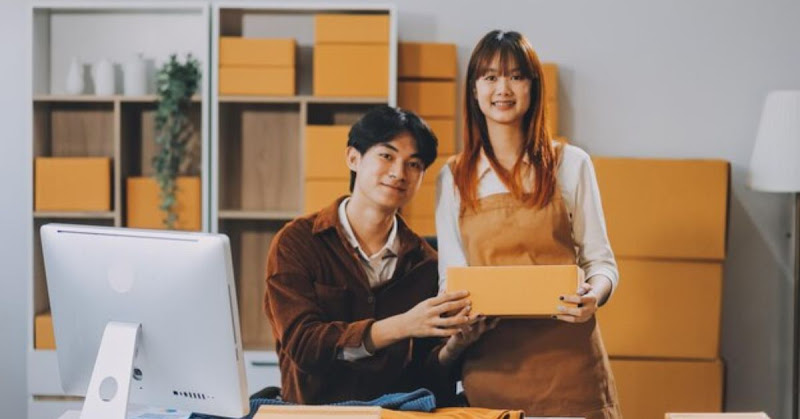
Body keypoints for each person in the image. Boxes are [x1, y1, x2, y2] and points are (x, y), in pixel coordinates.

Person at [435, 30, 622, 418]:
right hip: (490, 374)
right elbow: (450, 280)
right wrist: (460, 323)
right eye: (489, 77)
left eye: (516, 76)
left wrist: (593, 297)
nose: (502, 88)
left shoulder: (571, 163)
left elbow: (602, 264)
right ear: (473, 89)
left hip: (570, 371)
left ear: (533, 87)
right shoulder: (452, 176)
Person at [264, 105, 474, 406]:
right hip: (315, 415)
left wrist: (455, 345)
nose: (398, 173)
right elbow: (304, 346)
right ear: (353, 158)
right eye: (386, 156)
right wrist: (404, 325)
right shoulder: (297, 242)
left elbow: (426, 382)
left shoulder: (427, 263)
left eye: (413, 164)